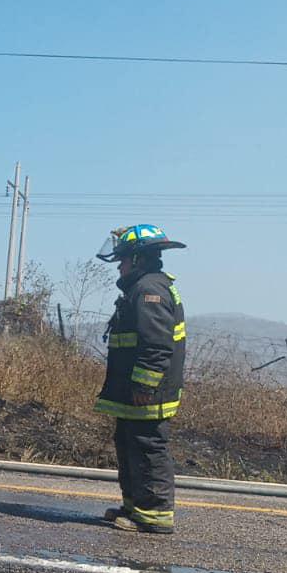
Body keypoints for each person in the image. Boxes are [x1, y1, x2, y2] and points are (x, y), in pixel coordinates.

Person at [94, 224, 187, 534]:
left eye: (123, 260)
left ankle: (154, 515)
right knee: (129, 444)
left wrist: (145, 384)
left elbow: (157, 345)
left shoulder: (150, 291)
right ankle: (135, 506)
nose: (119, 267)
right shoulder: (143, 286)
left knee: (148, 448)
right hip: (133, 391)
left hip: (147, 393)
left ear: (138, 259)